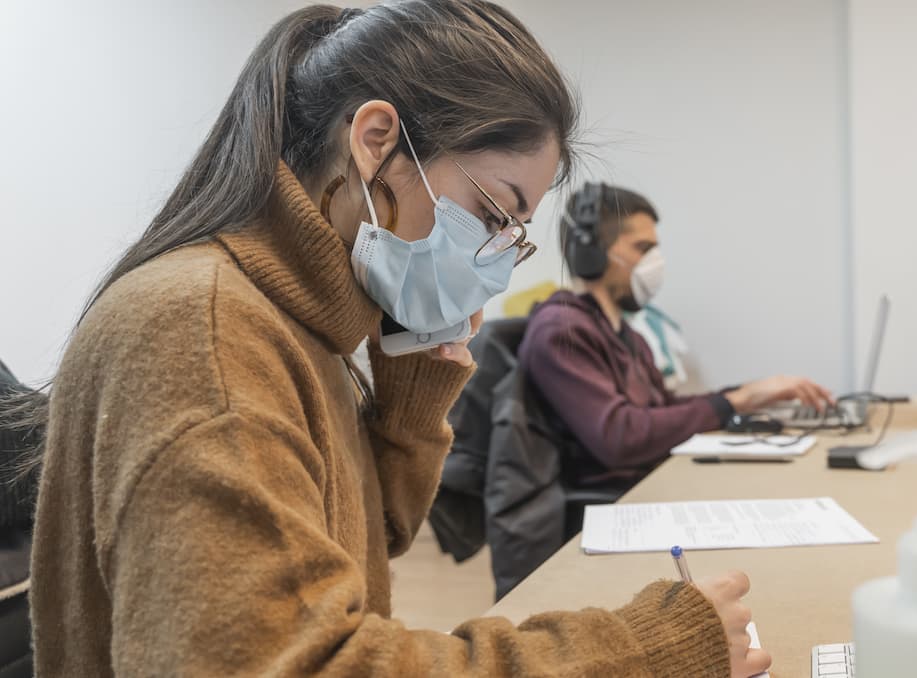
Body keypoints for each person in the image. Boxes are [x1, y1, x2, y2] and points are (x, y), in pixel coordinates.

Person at [3, 3, 770, 676]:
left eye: (514, 236)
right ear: (377, 142)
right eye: (494, 214)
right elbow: (302, 664)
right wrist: (642, 652)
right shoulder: (202, 329)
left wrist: (410, 386)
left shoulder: (301, 322)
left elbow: (362, 549)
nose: (495, 262)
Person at [520, 184, 836, 491]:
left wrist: (748, 395)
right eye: (642, 249)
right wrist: (736, 401)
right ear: (591, 252)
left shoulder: (623, 332)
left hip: (653, 482)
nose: (654, 262)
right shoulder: (562, 331)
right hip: (615, 505)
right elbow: (620, 438)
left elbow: (663, 411)